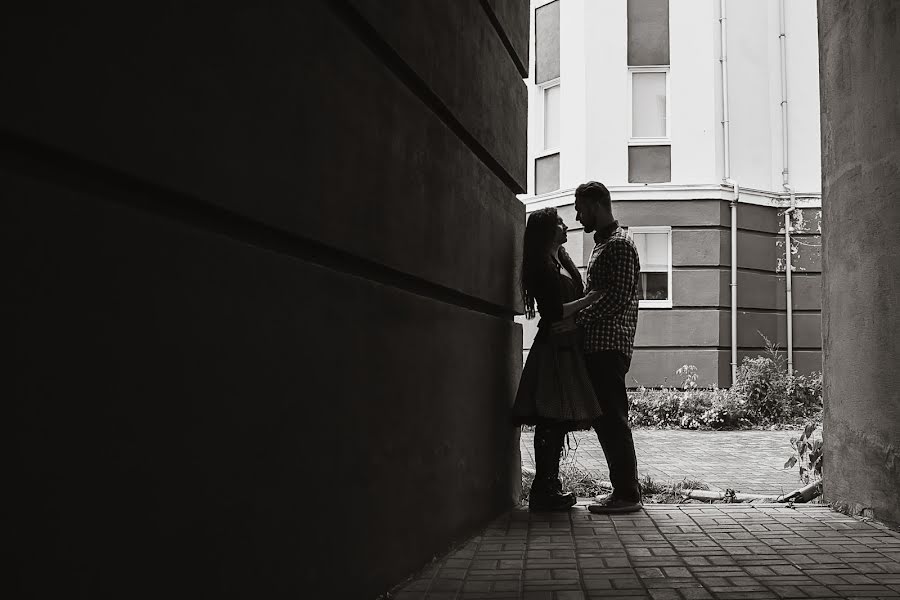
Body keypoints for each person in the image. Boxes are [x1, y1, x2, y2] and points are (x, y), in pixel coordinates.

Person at [553, 181, 643, 514]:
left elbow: (616, 298)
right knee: (607, 420)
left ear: (595, 204)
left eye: (580, 208)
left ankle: (628, 495)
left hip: (609, 347)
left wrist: (577, 321)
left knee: (613, 420)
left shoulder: (618, 245)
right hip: (600, 345)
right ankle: (624, 491)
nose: (577, 216)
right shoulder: (606, 242)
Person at [512, 207, 605, 511]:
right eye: (560, 223)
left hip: (567, 344)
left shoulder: (560, 259)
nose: (567, 226)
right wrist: (590, 299)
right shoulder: (541, 266)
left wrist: (581, 309)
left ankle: (550, 485)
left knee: (559, 418)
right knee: (551, 416)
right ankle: (543, 489)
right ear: (549, 231)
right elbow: (552, 311)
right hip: (554, 346)